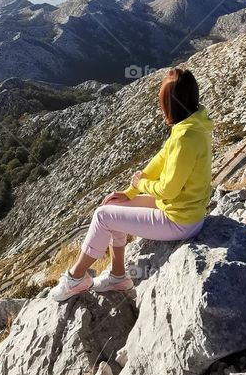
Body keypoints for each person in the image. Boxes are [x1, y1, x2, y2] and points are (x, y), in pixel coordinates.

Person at [51, 67, 213, 302]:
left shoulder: (185, 138)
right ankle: (118, 276)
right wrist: (130, 192)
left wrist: (143, 184)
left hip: (180, 220)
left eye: (163, 103)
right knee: (113, 205)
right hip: (183, 210)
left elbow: (168, 189)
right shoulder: (192, 125)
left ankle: (75, 278)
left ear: (172, 104)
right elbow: (160, 159)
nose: (161, 109)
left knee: (103, 216)